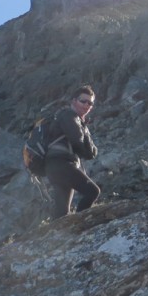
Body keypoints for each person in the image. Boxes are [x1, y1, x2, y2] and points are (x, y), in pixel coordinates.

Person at [45, 85, 100, 218]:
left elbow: (88, 152)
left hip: (54, 167)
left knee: (62, 213)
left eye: (90, 103)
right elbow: (79, 142)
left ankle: (58, 236)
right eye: (83, 101)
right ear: (74, 101)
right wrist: (86, 136)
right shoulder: (69, 115)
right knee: (93, 191)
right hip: (62, 164)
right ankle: (80, 224)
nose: (87, 105)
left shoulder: (73, 118)